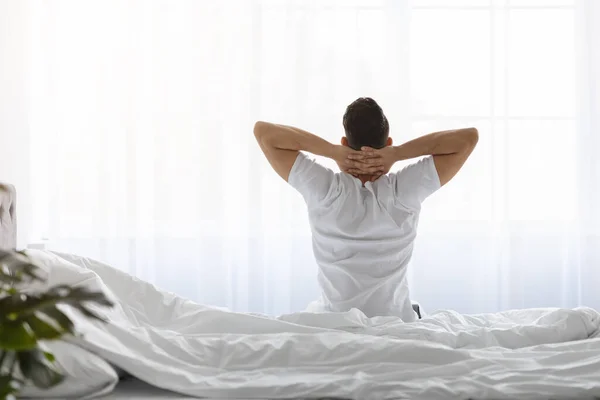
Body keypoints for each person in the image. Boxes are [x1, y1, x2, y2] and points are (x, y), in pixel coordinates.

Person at [254, 97, 478, 322]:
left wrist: (332, 151)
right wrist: (398, 153)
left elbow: (264, 133)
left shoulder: (324, 189)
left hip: (334, 321)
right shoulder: (403, 190)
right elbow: (468, 138)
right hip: (396, 321)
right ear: (388, 142)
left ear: (344, 142)